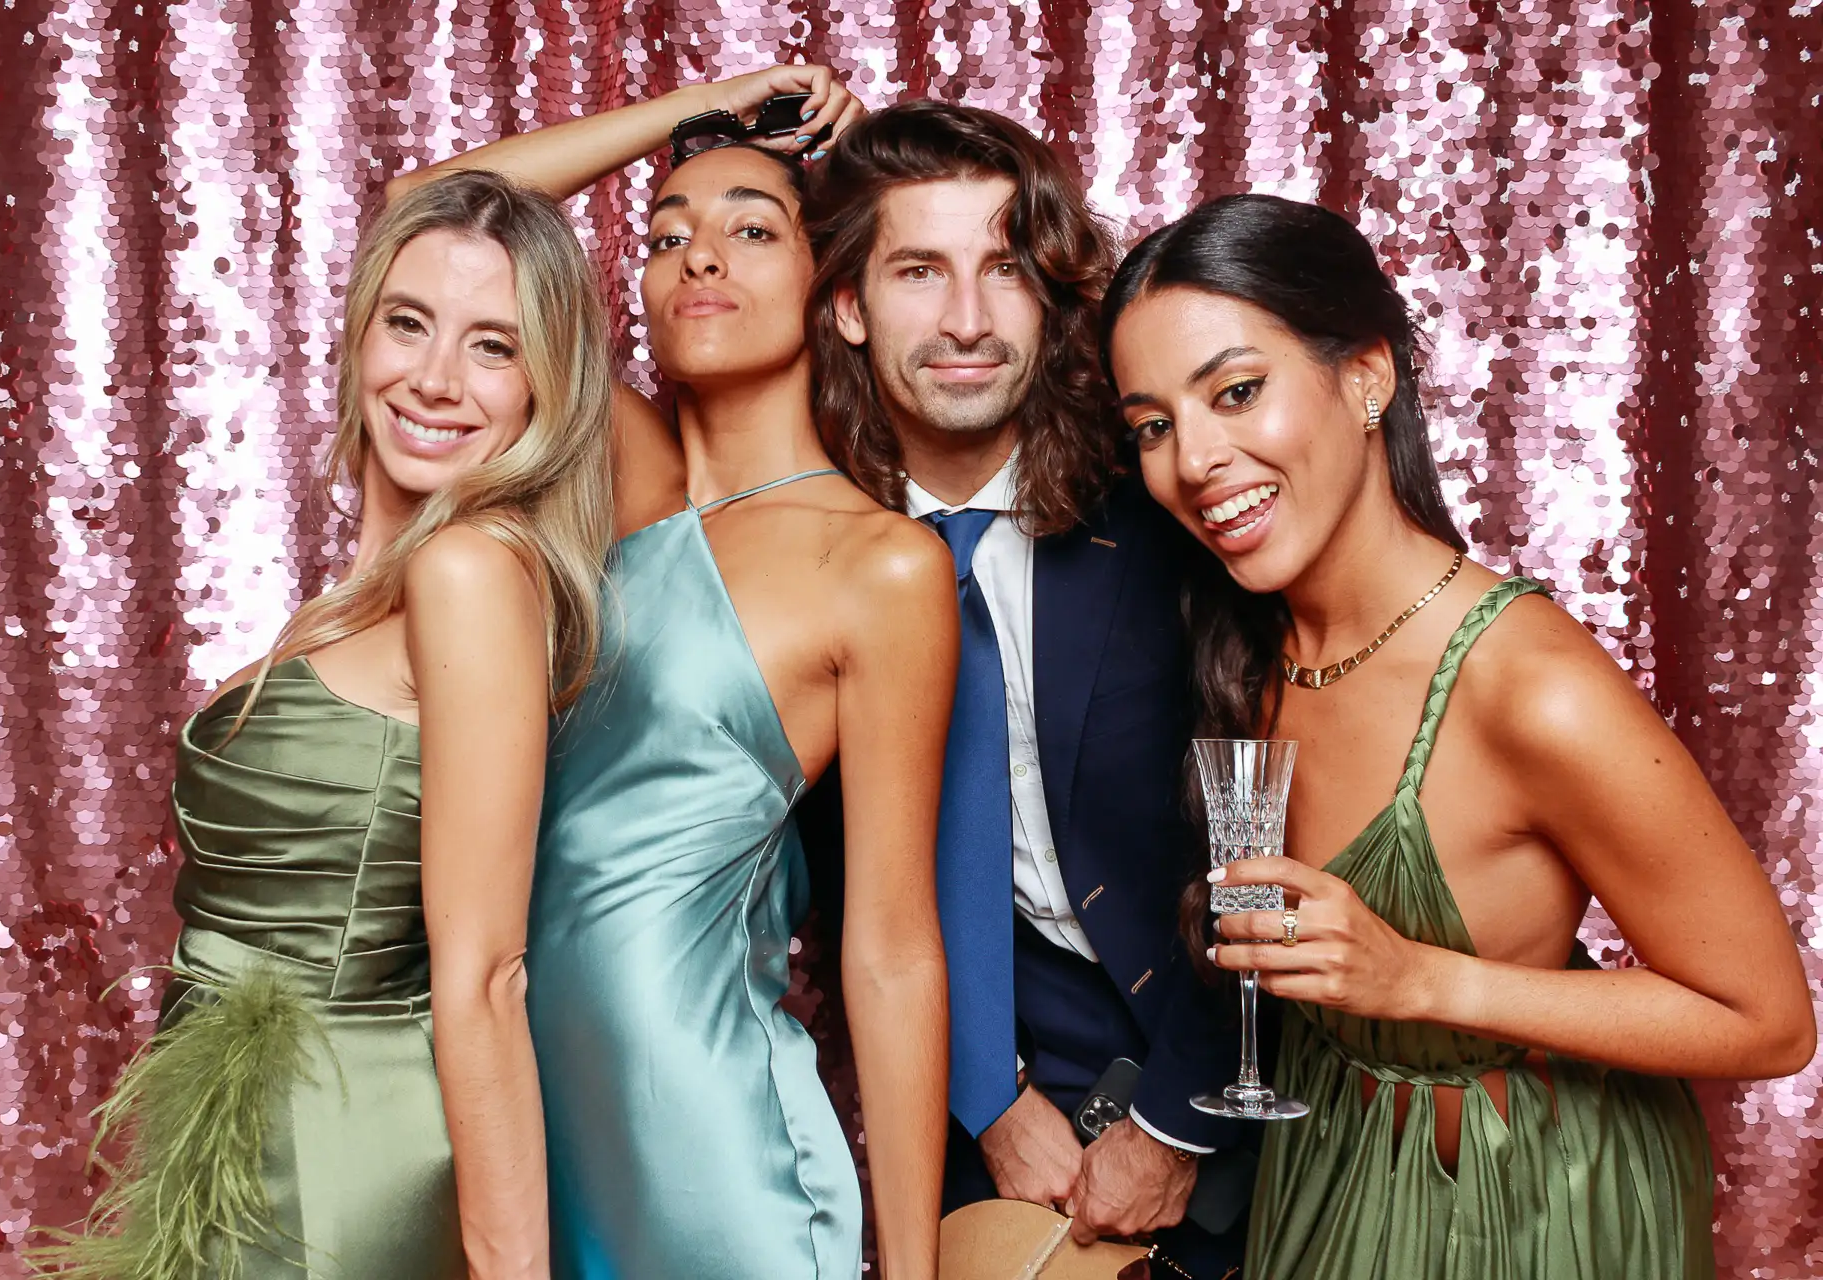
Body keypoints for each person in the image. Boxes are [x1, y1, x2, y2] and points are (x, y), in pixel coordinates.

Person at [1101, 192, 1817, 1280]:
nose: (1194, 459)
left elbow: (1765, 1020)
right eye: (1153, 425)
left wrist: (1419, 978)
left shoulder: (1530, 687)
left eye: (1237, 391)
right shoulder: (1245, 651)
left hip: (1527, 1204)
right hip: (1322, 1167)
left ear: (1365, 378)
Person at [394, 66, 953, 1280]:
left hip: (714, 1143)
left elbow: (894, 947)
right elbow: (424, 213)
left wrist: (915, 1272)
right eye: (667, 236)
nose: (701, 256)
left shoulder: (883, 565)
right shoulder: (613, 472)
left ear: (838, 300)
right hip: (524, 1117)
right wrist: (705, 102)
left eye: (754, 230)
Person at [37, 170, 617, 1279]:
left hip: (341, 1148)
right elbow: (427, 198)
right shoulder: (370, 589)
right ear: (360, 334)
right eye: (408, 323)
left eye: (495, 345)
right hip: (238, 1127)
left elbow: (488, 972)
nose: (436, 379)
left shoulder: (469, 570)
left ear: (549, 382)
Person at [798, 101, 1249, 1278]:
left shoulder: (1171, 503)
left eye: (1003, 267)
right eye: (917, 270)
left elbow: (1286, 819)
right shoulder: (803, 555)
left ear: (1050, 295)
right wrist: (986, 1095)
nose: (965, 319)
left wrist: (1176, 1120)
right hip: (962, 1102)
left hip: (1234, 1081)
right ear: (846, 304)